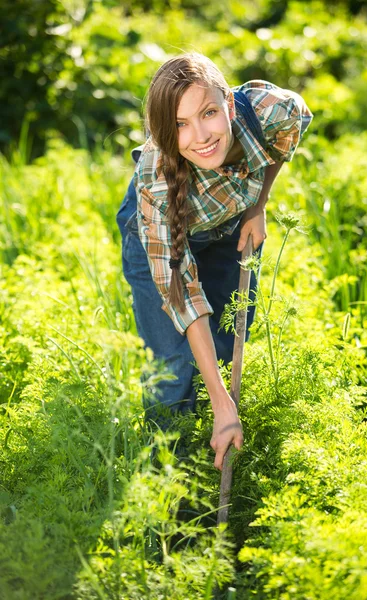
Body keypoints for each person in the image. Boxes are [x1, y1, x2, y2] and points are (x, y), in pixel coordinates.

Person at [117, 52, 313, 470]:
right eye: (179, 125)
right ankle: (167, 481)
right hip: (164, 240)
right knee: (173, 369)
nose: (201, 136)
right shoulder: (158, 181)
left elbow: (292, 126)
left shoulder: (268, 111)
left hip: (230, 226)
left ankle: (214, 451)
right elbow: (183, 296)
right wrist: (225, 404)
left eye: (208, 113)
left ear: (227, 102)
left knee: (227, 340)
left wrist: (258, 205)